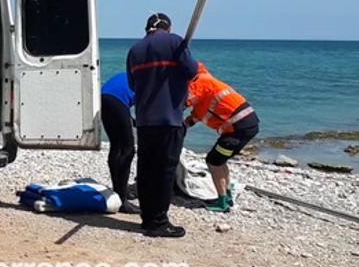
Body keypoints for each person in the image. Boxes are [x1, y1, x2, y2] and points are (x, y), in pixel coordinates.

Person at [126, 13, 198, 238]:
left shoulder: (134, 51)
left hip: (145, 119)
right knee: (165, 171)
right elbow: (192, 71)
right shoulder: (175, 42)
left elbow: (131, 83)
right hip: (169, 119)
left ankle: (148, 218)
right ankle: (159, 222)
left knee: (147, 170)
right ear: (168, 27)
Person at [184, 62, 260, 213]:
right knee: (219, 159)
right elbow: (198, 113)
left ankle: (222, 201)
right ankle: (226, 195)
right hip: (245, 125)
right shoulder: (206, 83)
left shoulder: (199, 82)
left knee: (213, 161)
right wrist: (185, 124)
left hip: (239, 128)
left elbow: (183, 102)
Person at [100, 73, 139, 214]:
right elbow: (145, 107)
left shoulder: (136, 74)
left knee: (117, 146)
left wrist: (132, 121)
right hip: (116, 101)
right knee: (127, 150)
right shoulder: (152, 80)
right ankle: (122, 200)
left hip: (104, 98)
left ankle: (118, 192)